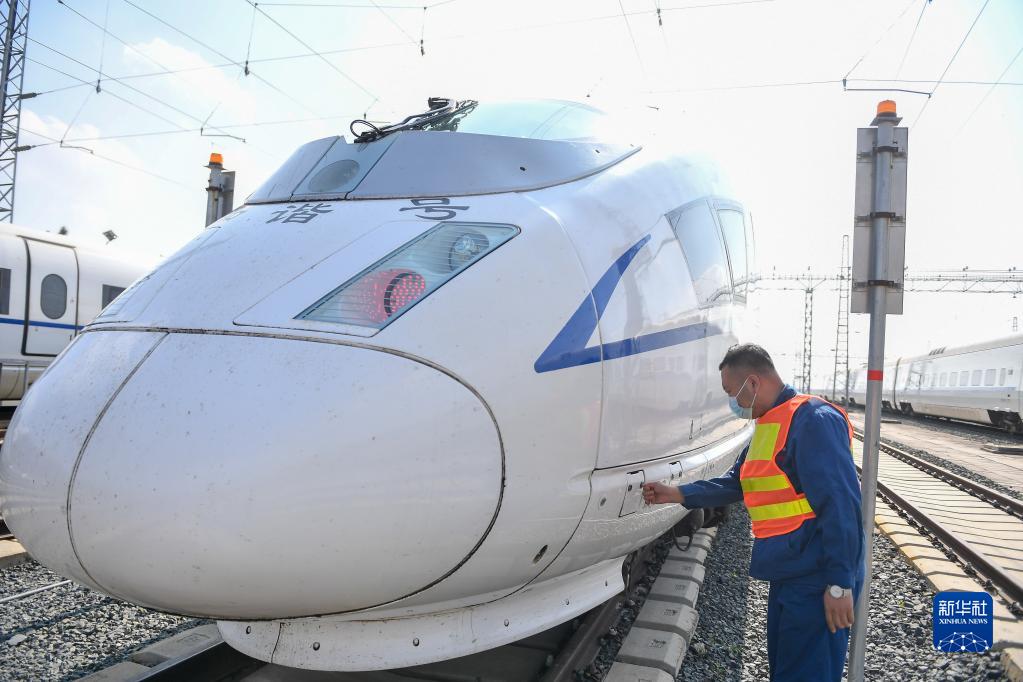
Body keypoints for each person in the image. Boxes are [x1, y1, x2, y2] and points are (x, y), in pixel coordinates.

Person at [642, 343, 864, 682]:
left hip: (817, 575)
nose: (733, 402)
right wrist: (678, 493)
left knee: (807, 674)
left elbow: (841, 505)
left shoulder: (813, 420)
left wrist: (839, 584)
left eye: (732, 392)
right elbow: (738, 483)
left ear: (754, 382)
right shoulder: (770, 423)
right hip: (789, 571)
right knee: (787, 671)